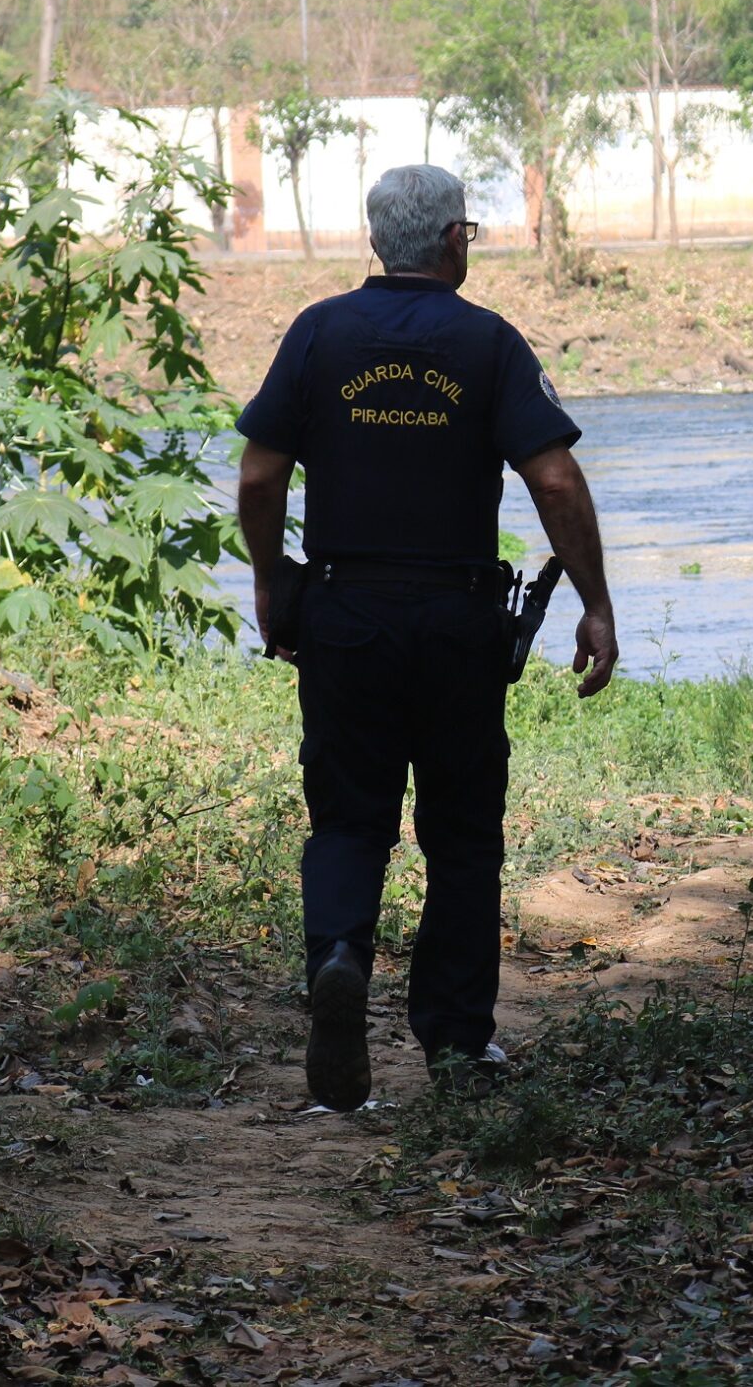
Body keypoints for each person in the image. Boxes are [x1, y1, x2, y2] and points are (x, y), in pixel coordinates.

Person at [233, 164, 618, 1110]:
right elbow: (557, 483)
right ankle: (453, 1041)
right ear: (454, 240)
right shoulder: (487, 343)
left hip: (344, 615)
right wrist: (596, 604)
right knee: (461, 831)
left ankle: (338, 960)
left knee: (349, 819)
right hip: (456, 623)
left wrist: (273, 578)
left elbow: (258, 473)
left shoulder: (319, 334)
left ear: (376, 241)